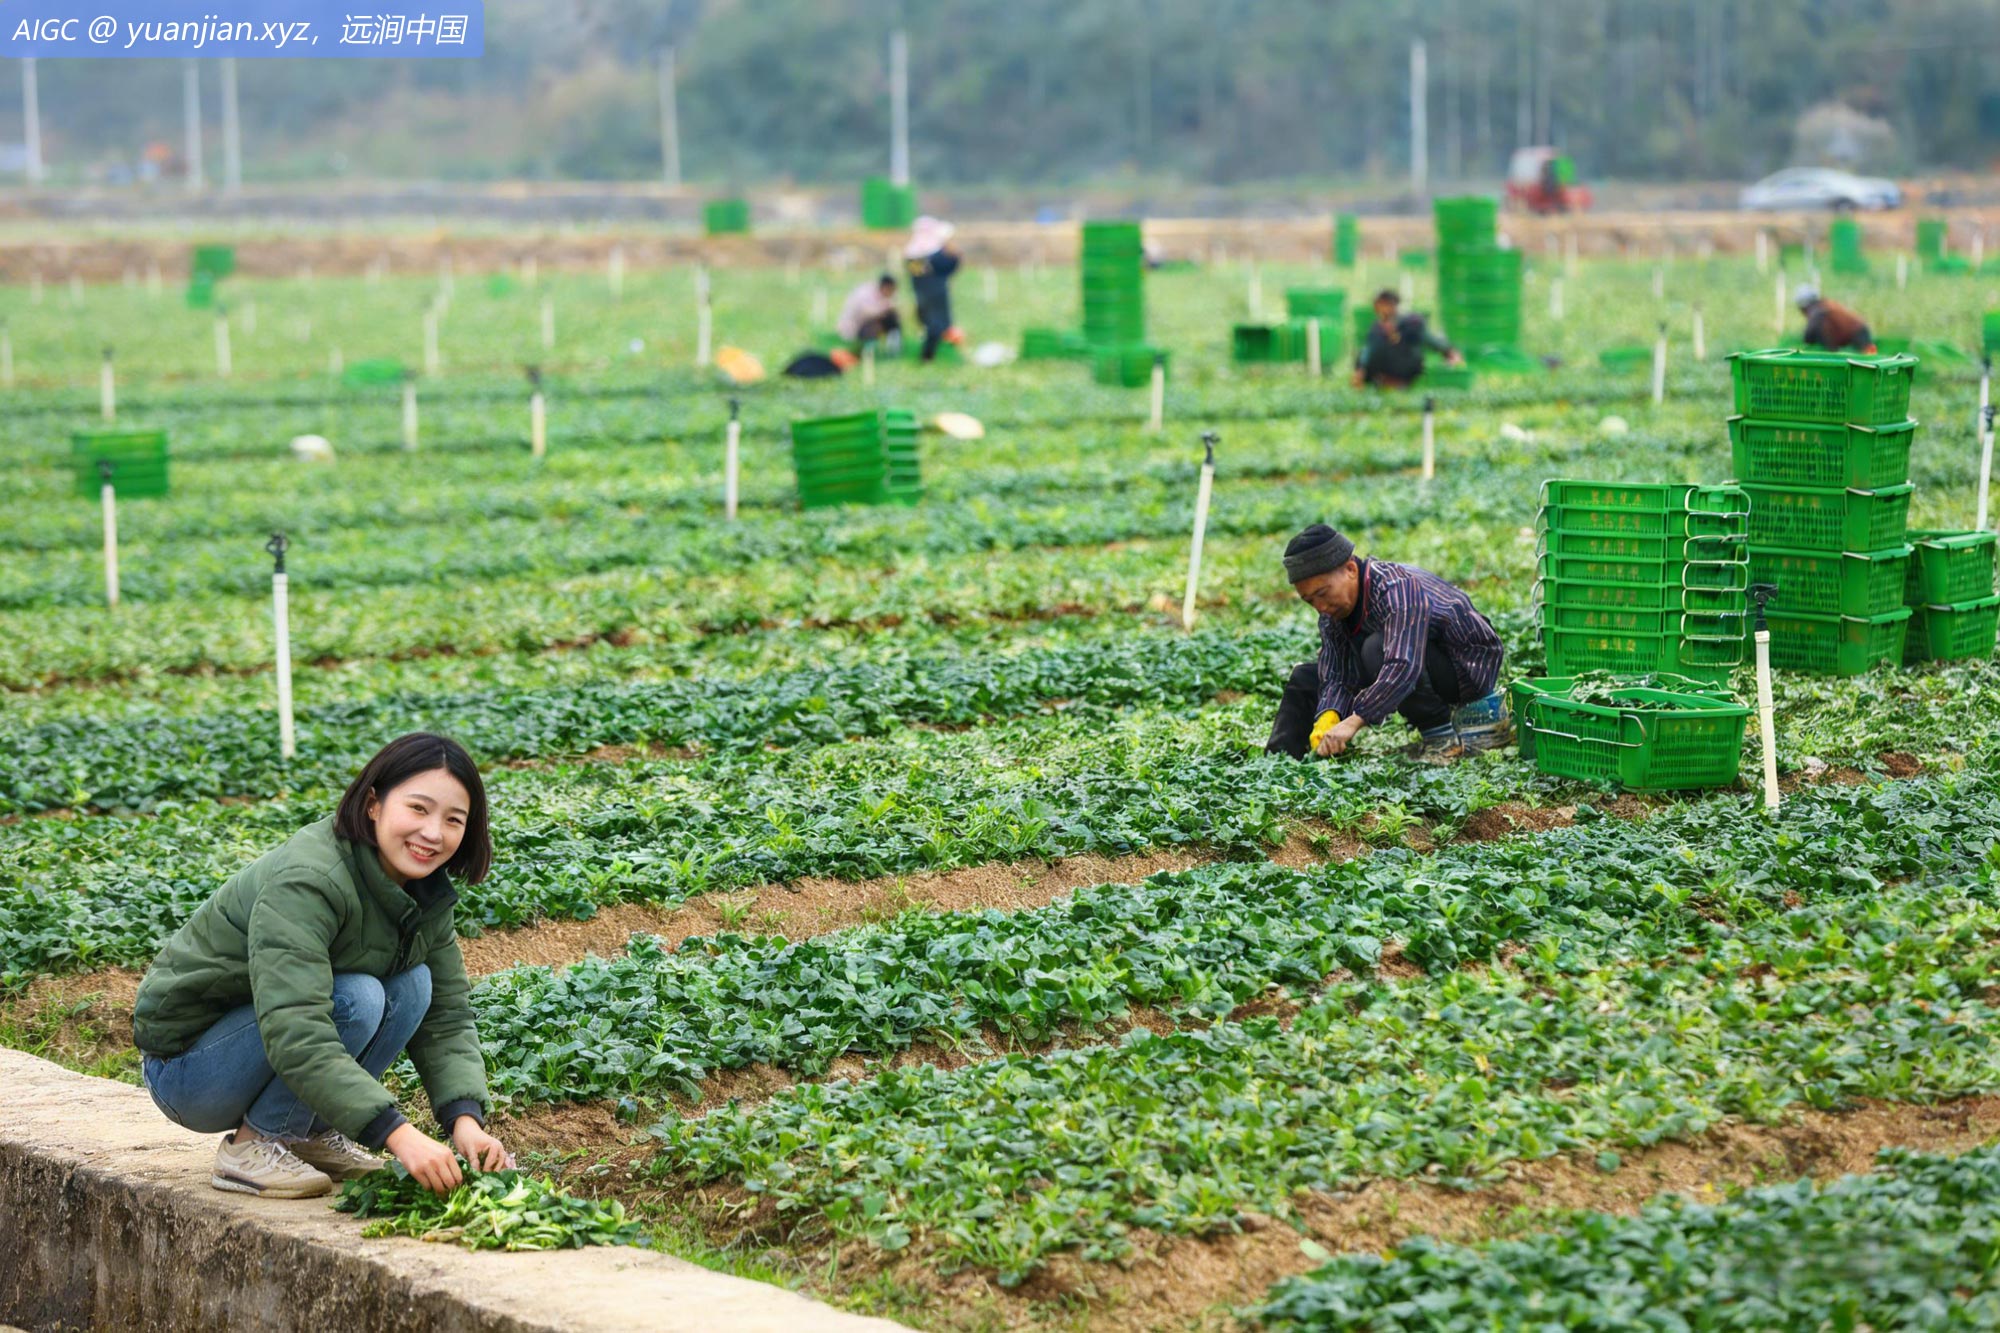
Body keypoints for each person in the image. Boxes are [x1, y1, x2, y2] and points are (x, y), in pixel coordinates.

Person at [132, 733, 510, 1200]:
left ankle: (309, 1135)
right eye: (417, 809)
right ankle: (251, 1148)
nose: (433, 833)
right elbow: (296, 1026)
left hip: (256, 1047)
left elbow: (447, 1015)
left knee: (414, 985)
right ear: (373, 804)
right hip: (189, 1068)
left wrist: (464, 1121)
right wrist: (396, 1133)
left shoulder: (423, 891)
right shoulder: (310, 878)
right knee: (357, 999)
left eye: (453, 820)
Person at [1267, 524, 1509, 759]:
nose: (1320, 607)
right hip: (1407, 662)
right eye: (1310, 601)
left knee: (1377, 648)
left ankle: (1441, 737)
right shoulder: (1332, 612)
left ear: (1351, 569)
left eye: (1322, 593)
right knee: (1307, 677)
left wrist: (1354, 720)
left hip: (1463, 669)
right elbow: (1336, 672)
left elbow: (1403, 663)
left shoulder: (1395, 587)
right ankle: (1280, 761)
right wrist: (1329, 713)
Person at [1353, 289, 1463, 388]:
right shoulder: (1376, 328)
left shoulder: (1410, 322)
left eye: (1383, 305)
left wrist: (1449, 351)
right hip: (1384, 368)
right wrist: (1360, 369)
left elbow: (1429, 339)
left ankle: (1398, 381)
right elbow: (1368, 349)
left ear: (1391, 305)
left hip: (1406, 366)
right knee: (1365, 352)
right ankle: (1384, 380)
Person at [904, 215, 963, 362]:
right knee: (936, 326)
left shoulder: (912, 255)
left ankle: (934, 355)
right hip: (934, 295)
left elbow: (917, 275)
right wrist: (954, 256)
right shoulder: (935, 254)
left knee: (933, 326)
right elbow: (951, 265)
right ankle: (928, 357)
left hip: (924, 295)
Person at [1796, 284, 1877, 354]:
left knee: (1869, 359)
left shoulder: (1818, 310)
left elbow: (1811, 329)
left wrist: (1806, 341)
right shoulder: (1823, 306)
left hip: (1858, 331)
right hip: (1856, 330)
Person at [837, 273, 902, 351]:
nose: (893, 294)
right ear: (886, 287)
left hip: (867, 323)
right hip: (854, 328)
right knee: (876, 324)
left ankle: (893, 348)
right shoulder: (865, 293)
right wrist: (885, 309)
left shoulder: (882, 294)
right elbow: (864, 313)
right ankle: (868, 350)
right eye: (892, 290)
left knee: (892, 317)